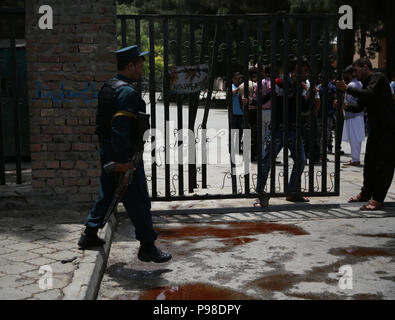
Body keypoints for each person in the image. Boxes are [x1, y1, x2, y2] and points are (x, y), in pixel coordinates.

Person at [78, 45, 172, 263]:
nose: (141, 69)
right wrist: (122, 163)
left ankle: (89, 235)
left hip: (109, 152)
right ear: (130, 65)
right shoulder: (126, 92)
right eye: (139, 65)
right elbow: (120, 128)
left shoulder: (108, 87)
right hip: (123, 156)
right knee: (139, 200)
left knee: (107, 193)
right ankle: (148, 247)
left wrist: (111, 159)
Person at [335, 58, 395, 211]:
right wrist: (346, 106)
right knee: (369, 163)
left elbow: (368, 93)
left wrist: (347, 88)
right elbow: (360, 106)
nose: (354, 73)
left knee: (383, 165)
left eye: (356, 70)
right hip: (376, 130)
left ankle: (378, 199)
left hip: (388, 129)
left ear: (366, 67)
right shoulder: (365, 84)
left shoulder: (378, 78)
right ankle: (366, 193)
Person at [255, 58, 310, 207]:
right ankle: (259, 193)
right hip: (277, 129)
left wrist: (310, 96)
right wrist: (253, 101)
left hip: (293, 129)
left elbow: (305, 108)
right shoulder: (279, 83)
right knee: (267, 161)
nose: (306, 73)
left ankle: (292, 192)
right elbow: (265, 98)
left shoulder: (302, 86)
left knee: (301, 160)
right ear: (295, 70)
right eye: (304, 70)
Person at [341, 65, 365, 167]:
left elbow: (348, 100)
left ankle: (355, 159)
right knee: (356, 138)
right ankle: (355, 158)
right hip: (357, 115)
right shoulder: (358, 83)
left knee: (354, 138)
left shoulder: (351, 85)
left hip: (353, 115)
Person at [231, 72, 243, 154]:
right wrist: (240, 87)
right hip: (233, 114)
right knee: (233, 132)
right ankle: (231, 147)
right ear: (233, 79)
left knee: (240, 133)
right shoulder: (231, 86)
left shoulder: (242, 87)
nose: (238, 80)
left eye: (239, 78)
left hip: (242, 114)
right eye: (236, 78)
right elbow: (232, 92)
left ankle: (238, 148)